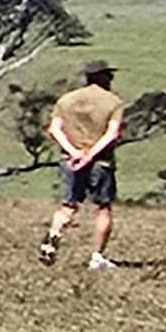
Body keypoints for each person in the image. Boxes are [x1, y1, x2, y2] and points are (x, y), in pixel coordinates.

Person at [45, 59, 128, 269]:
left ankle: (53, 236)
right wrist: (89, 155)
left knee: (67, 205)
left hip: (70, 161)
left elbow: (54, 129)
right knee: (103, 208)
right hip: (101, 162)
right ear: (102, 78)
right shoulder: (113, 102)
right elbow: (112, 133)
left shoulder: (66, 100)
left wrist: (74, 153)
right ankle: (97, 256)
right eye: (109, 76)